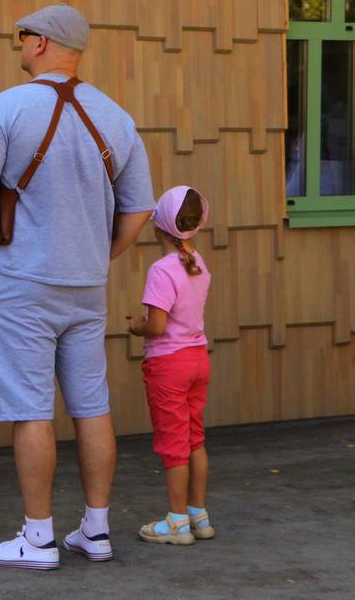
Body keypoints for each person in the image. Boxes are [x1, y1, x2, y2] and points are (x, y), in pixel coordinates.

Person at [0, 4, 154, 570]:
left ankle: (37, 539)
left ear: (41, 44)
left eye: (22, 35)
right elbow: (138, 210)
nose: (18, 44)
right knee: (92, 407)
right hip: (86, 288)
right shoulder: (117, 118)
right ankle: (96, 531)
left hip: (20, 285)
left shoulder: (6, 109)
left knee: (32, 411)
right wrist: (96, 255)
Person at [127, 185, 216, 545]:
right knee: (195, 439)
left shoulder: (162, 270)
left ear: (158, 226)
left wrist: (136, 325)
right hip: (198, 359)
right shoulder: (199, 263)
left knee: (173, 444)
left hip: (169, 365)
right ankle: (199, 515)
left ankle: (177, 522)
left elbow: (157, 326)